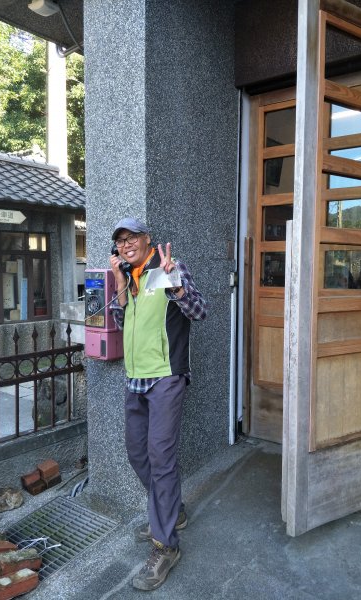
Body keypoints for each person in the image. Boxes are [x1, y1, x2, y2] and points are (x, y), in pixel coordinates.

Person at [109, 217, 207, 591]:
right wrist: (120, 283)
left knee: (161, 458)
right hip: (135, 379)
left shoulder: (168, 269)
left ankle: (165, 544)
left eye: (132, 236)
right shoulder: (130, 278)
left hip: (166, 377)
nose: (126, 243)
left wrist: (177, 287)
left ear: (147, 239)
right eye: (120, 240)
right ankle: (172, 511)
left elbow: (200, 312)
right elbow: (121, 323)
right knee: (138, 454)